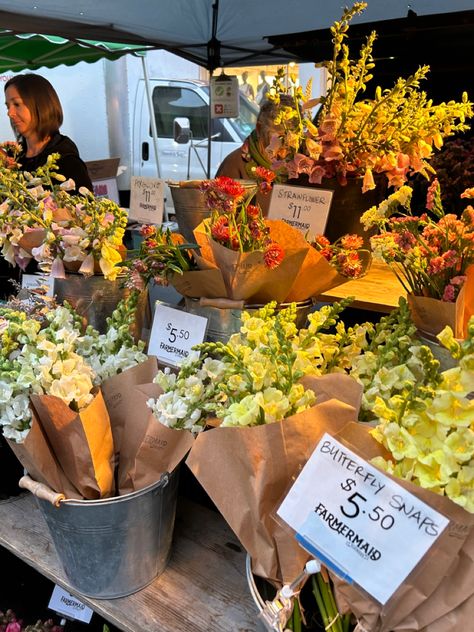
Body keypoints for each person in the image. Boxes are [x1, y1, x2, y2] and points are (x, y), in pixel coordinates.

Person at [4, 73, 93, 191]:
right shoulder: (12, 158)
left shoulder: (66, 161)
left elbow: (84, 207)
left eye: (17, 104)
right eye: (8, 106)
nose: (10, 113)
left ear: (40, 105)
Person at [215, 95, 295, 213]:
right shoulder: (234, 164)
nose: (286, 145)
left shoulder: (299, 165)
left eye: (293, 138)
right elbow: (220, 218)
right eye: (281, 137)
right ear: (259, 128)